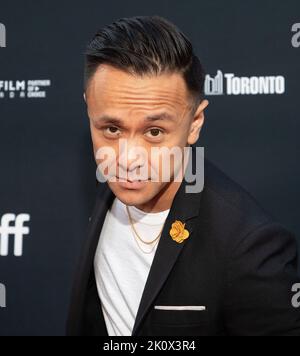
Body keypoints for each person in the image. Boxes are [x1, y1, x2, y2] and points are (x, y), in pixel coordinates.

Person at [66, 15, 300, 336]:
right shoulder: (108, 186)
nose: (127, 158)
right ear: (89, 109)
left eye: (154, 131)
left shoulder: (249, 247)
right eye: (111, 128)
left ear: (195, 123)